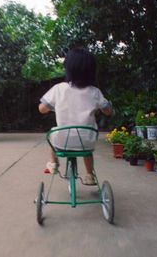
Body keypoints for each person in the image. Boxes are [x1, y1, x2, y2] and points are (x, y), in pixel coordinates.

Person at [38, 48, 112, 185]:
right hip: (86, 141)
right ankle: (89, 175)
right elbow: (108, 111)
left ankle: (53, 163)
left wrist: (54, 107)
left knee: (54, 132)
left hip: (62, 141)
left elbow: (42, 109)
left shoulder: (59, 88)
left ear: (68, 69)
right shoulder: (95, 92)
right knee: (87, 152)